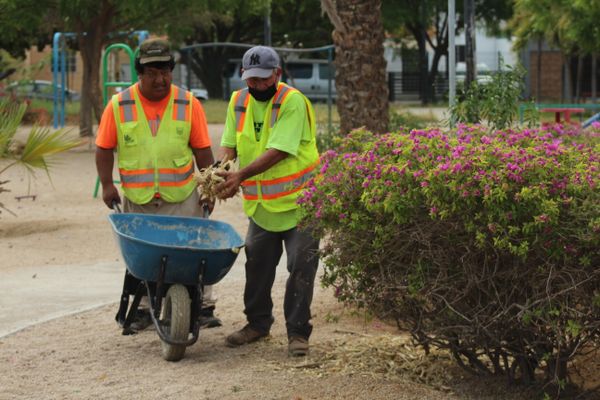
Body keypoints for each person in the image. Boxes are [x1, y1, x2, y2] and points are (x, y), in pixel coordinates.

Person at [95, 38, 220, 329]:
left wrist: (209, 188)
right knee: (141, 256)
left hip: (182, 196)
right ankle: (141, 309)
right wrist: (106, 185)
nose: (159, 78)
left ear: (171, 72)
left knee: (191, 250)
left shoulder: (188, 103)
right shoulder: (119, 104)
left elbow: (203, 151)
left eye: (164, 71)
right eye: (151, 72)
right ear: (139, 72)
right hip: (139, 199)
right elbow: (103, 148)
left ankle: (202, 306)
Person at [216, 45, 320, 357]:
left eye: (264, 79)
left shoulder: (292, 102)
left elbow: (280, 151)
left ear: (278, 73)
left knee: (301, 266)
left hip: (301, 204)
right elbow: (229, 146)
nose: (258, 85)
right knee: (257, 265)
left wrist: (241, 177)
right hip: (262, 206)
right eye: (252, 79)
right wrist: (220, 173)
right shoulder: (238, 101)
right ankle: (258, 324)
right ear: (243, 75)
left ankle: (298, 333)